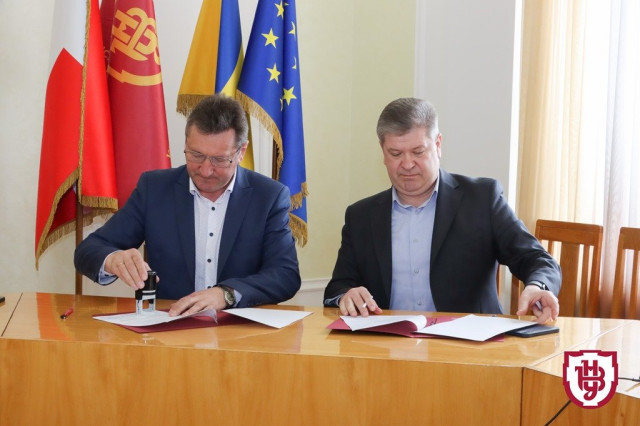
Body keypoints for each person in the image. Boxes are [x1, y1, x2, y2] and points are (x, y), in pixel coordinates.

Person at [324, 97, 561, 323]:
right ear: (383, 151)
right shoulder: (361, 216)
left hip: (467, 342)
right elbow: (337, 288)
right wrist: (346, 295)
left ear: (438, 145)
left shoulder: (481, 199)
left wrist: (537, 286)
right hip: (388, 343)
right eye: (395, 154)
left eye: (418, 152)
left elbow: (537, 259)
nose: (407, 164)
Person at [75, 94, 301, 315]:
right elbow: (88, 250)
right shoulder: (154, 189)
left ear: (241, 151)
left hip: (239, 330)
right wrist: (112, 259)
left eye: (219, 159)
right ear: (186, 143)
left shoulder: (268, 197)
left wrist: (227, 294)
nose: (206, 170)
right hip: (169, 325)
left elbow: (285, 275)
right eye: (196, 155)